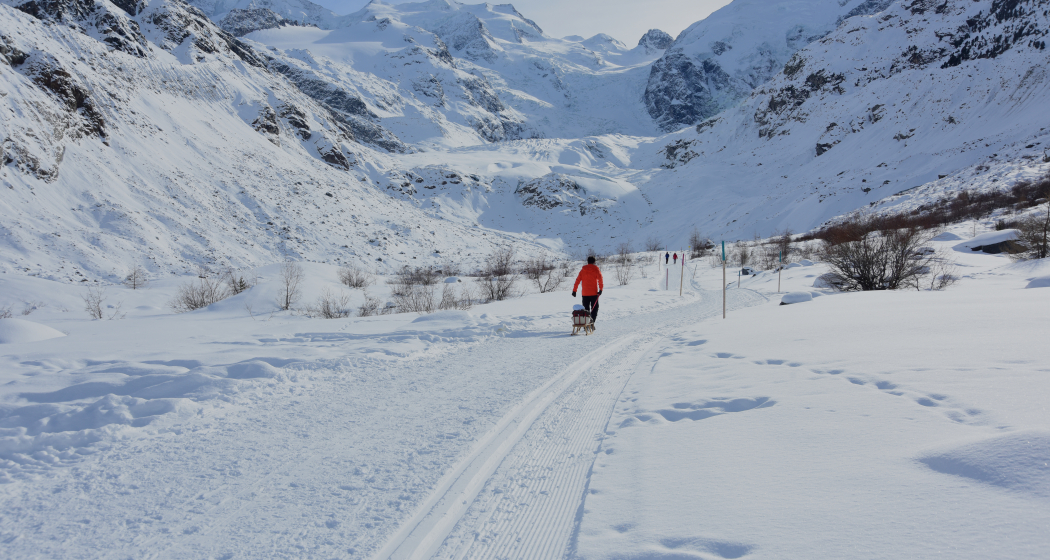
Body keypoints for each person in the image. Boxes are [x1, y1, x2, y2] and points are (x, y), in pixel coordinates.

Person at [572, 256, 604, 327]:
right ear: (594, 262)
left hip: (585, 293)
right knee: (595, 309)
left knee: (586, 310)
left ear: (588, 261)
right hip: (593, 293)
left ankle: (586, 323)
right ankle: (591, 323)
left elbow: (577, 280)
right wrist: (601, 289)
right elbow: (600, 279)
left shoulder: (583, 270)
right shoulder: (596, 269)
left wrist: (574, 290)